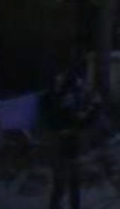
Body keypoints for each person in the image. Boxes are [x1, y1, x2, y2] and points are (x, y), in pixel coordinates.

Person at [41, 65, 100, 209]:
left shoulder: (55, 96)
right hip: (63, 141)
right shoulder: (59, 97)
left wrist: (91, 109)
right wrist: (92, 109)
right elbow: (77, 120)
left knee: (67, 181)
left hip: (65, 141)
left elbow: (81, 120)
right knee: (66, 181)